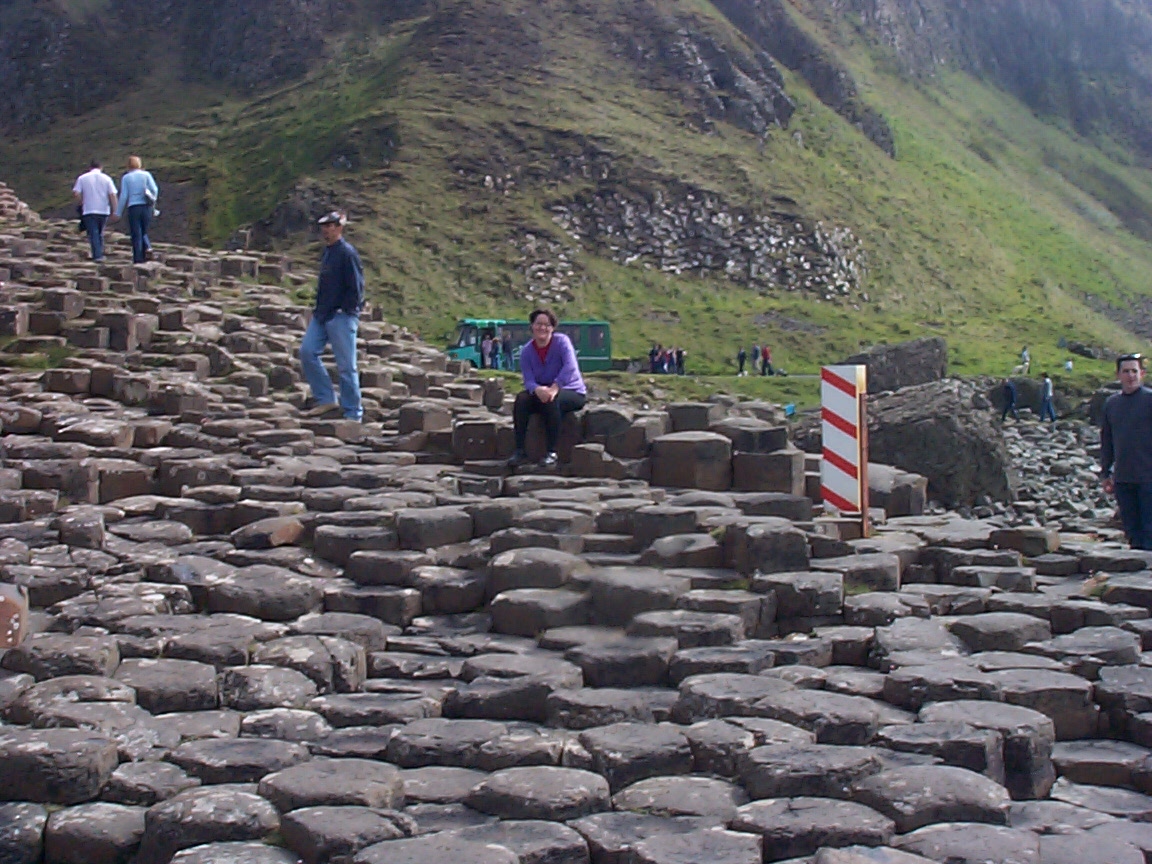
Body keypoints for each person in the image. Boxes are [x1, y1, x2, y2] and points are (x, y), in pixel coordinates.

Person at [299, 211, 364, 421]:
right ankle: (326, 398)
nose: (326, 230)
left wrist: (345, 309)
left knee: (346, 366)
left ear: (339, 228)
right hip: (322, 314)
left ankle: (353, 412)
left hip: (341, 316)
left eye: (330, 226)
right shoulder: (328, 252)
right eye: (324, 227)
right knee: (307, 352)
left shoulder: (347, 253)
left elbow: (356, 286)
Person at [508, 308, 587, 469]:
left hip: (571, 390)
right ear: (532, 326)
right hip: (541, 391)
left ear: (552, 328)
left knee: (552, 401)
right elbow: (528, 379)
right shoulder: (527, 351)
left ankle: (552, 452)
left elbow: (570, 367)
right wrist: (537, 389)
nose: (542, 328)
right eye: (538, 324)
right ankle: (520, 450)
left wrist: (554, 388)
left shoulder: (562, 342)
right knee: (522, 399)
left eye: (547, 325)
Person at [1100, 354, 1152, 549]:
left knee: (1150, 531)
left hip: (1149, 477)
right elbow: (1107, 441)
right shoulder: (1111, 404)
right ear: (1118, 375)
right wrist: (1105, 472)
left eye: (1134, 371)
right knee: (1132, 531)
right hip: (1123, 478)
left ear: (1142, 374)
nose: (1131, 375)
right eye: (1126, 371)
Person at [116, 155, 159, 264]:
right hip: (146, 206)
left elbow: (124, 196)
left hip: (133, 207)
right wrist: (153, 202)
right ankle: (147, 250)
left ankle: (138, 258)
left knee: (136, 234)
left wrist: (118, 212)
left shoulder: (126, 177)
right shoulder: (146, 175)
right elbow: (154, 189)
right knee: (143, 231)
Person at [72, 160, 117, 262]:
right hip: (103, 210)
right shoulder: (107, 178)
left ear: (90, 167)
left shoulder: (82, 178)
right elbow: (112, 194)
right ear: (101, 167)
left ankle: (97, 255)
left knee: (93, 233)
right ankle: (99, 253)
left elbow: (76, 193)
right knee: (100, 232)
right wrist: (115, 209)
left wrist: (81, 202)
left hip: (89, 209)